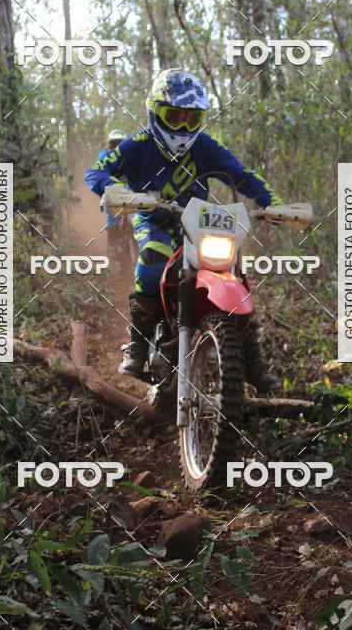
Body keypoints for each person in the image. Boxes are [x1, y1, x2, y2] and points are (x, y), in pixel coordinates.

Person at [85, 69, 283, 392]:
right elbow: (96, 171)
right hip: (154, 221)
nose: (183, 126)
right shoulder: (139, 145)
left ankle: (253, 359)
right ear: (156, 112)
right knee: (152, 264)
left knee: (234, 272)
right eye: (174, 116)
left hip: (198, 223)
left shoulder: (205, 146)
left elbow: (242, 175)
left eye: (191, 118)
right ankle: (137, 343)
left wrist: (273, 203)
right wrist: (118, 190)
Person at [96, 129, 128, 258]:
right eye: (114, 143)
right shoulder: (104, 155)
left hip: (130, 189)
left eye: (120, 143)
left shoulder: (131, 154)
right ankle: (112, 245)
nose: (116, 146)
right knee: (113, 217)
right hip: (112, 190)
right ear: (109, 144)